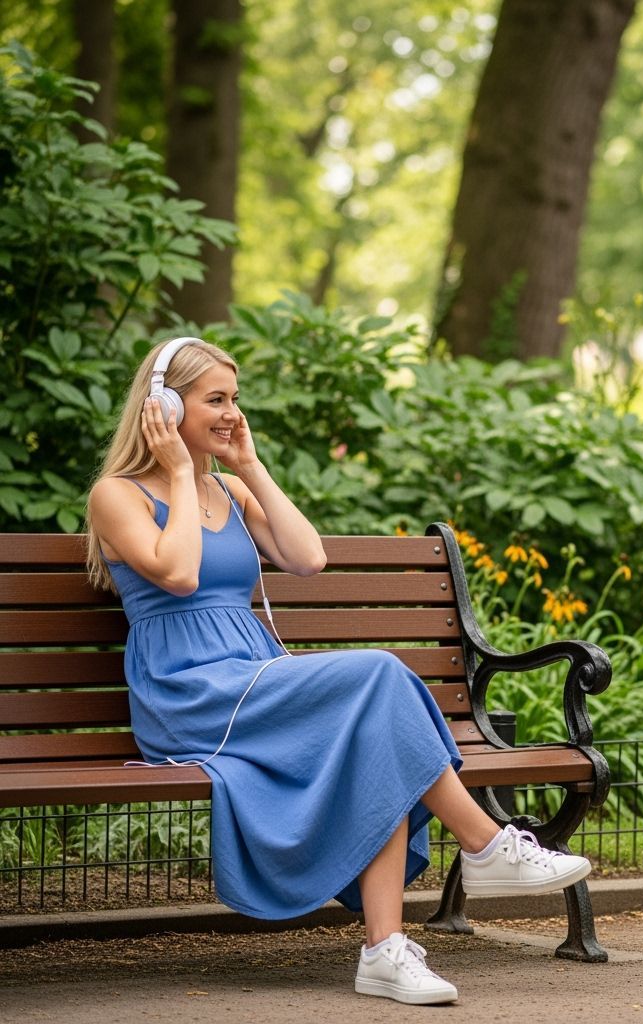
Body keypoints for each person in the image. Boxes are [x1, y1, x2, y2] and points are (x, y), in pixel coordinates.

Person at [85, 337, 592, 1006]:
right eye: (215, 399)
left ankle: (384, 951)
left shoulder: (231, 490)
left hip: (253, 676)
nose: (232, 412)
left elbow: (308, 557)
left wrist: (251, 465)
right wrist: (180, 472)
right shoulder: (115, 494)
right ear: (163, 405)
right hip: (191, 691)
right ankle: (485, 844)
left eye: (235, 398)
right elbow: (178, 573)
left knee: (376, 735)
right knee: (380, 676)